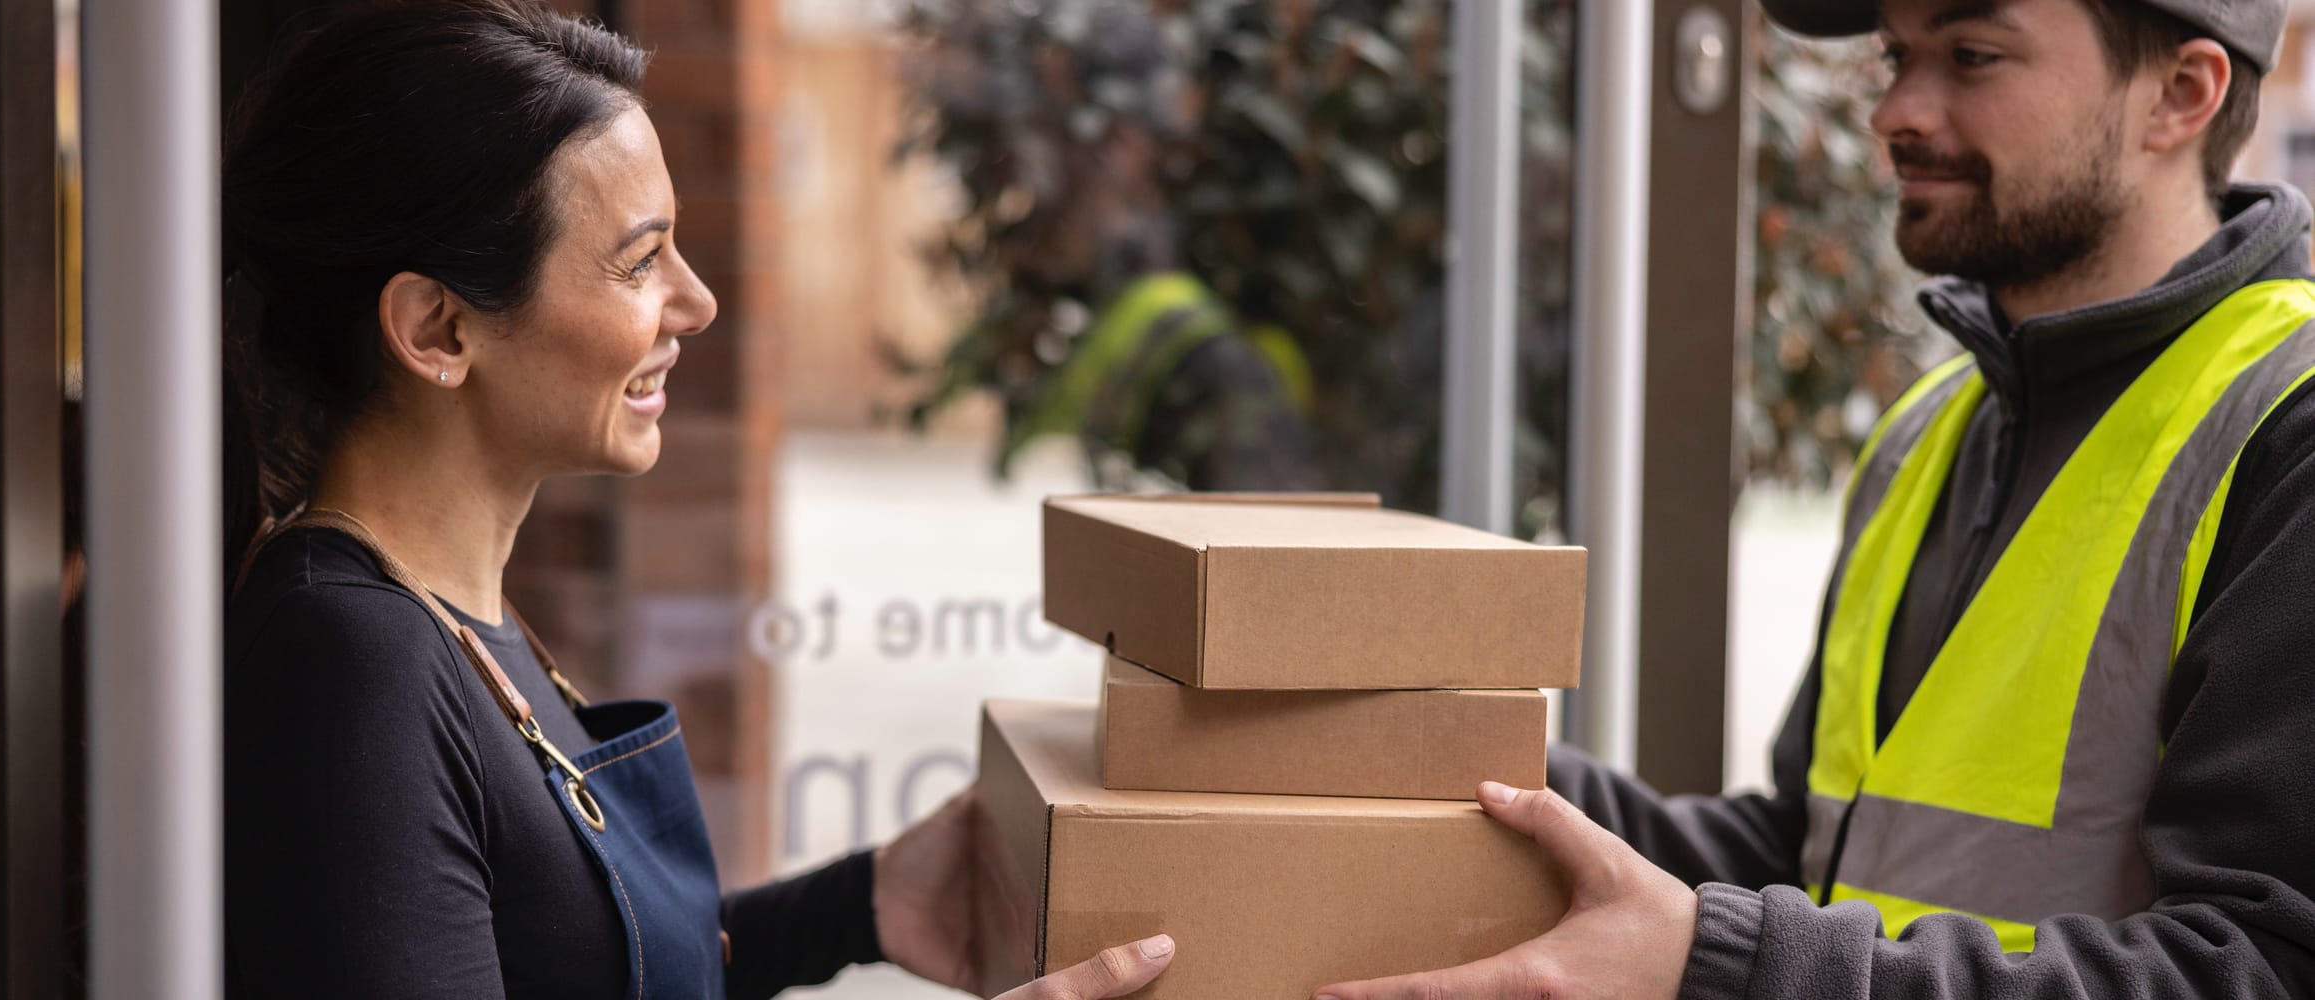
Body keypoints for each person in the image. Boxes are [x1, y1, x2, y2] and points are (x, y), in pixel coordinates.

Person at [1310, 0, 2315, 997]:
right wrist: (1459, 757)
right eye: (1895, 56)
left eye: (1971, 55)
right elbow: (1816, 853)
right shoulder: (1929, 434)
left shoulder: (2290, 427)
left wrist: (1722, 960)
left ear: (2179, 94)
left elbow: (2262, 967)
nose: (1894, 112)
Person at [217, 3, 1173, 997]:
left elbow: (571, 965)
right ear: (438, 330)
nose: (697, 301)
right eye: (640, 261)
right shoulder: (353, 662)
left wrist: (855, 908)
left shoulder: (447, 616)